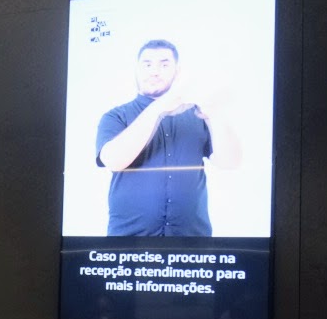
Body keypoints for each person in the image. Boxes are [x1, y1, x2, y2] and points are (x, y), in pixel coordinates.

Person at [95, 40, 242, 236]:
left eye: (164, 65)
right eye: (147, 64)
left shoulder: (198, 114)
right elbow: (114, 160)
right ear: (137, 70)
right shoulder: (116, 116)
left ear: (177, 72)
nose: (154, 72)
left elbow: (230, 162)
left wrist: (215, 114)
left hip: (192, 243)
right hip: (129, 242)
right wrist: (159, 107)